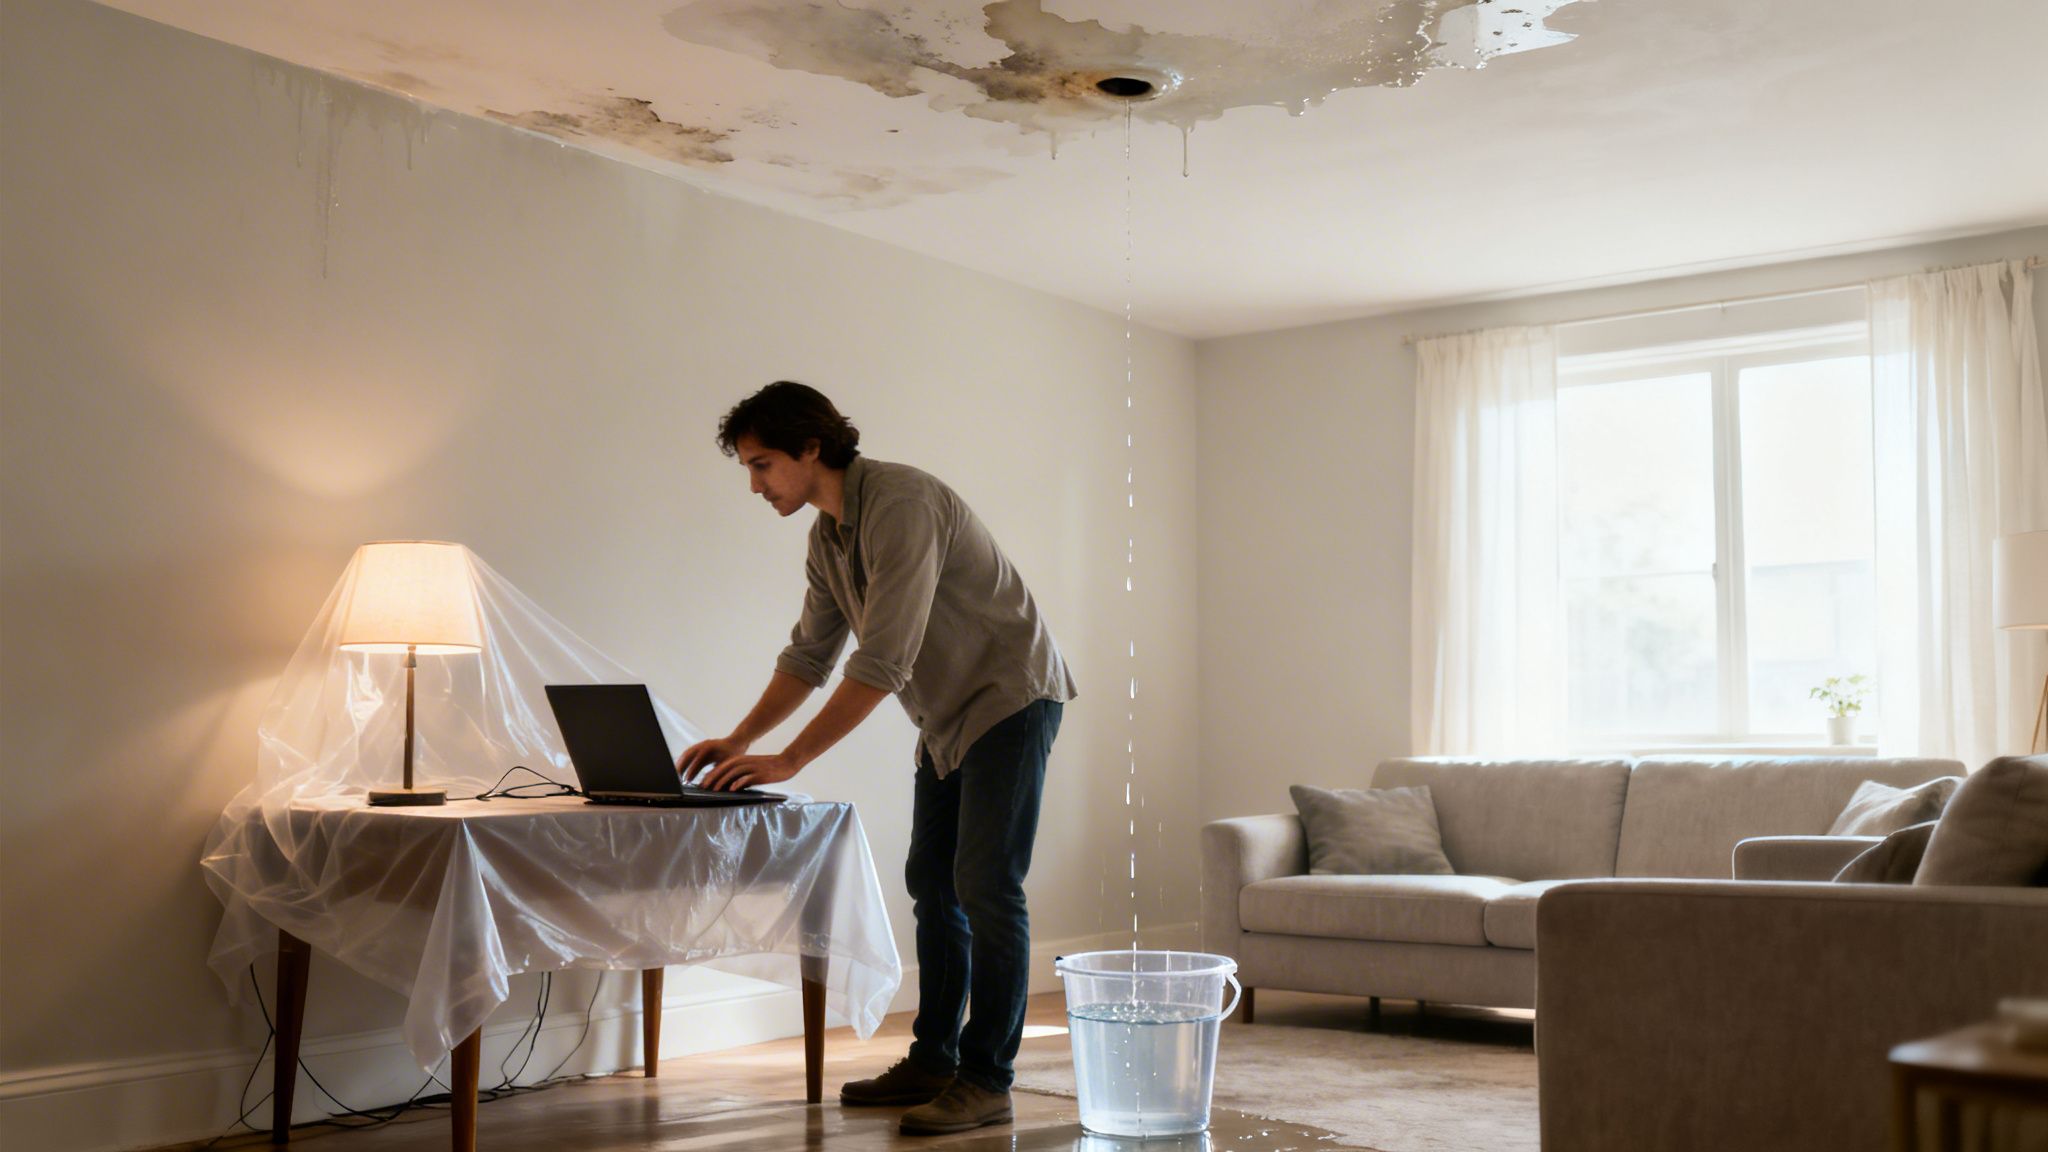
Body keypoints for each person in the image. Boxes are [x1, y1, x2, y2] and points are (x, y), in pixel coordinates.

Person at [680, 381, 1076, 1136]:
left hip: (1010, 699)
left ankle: (987, 1078)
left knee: (988, 884)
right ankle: (935, 1061)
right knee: (933, 881)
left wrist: (791, 759)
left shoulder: (901, 504)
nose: (756, 486)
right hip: (945, 718)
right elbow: (809, 655)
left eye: (763, 465)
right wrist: (738, 740)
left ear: (812, 448)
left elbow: (885, 657)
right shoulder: (827, 536)